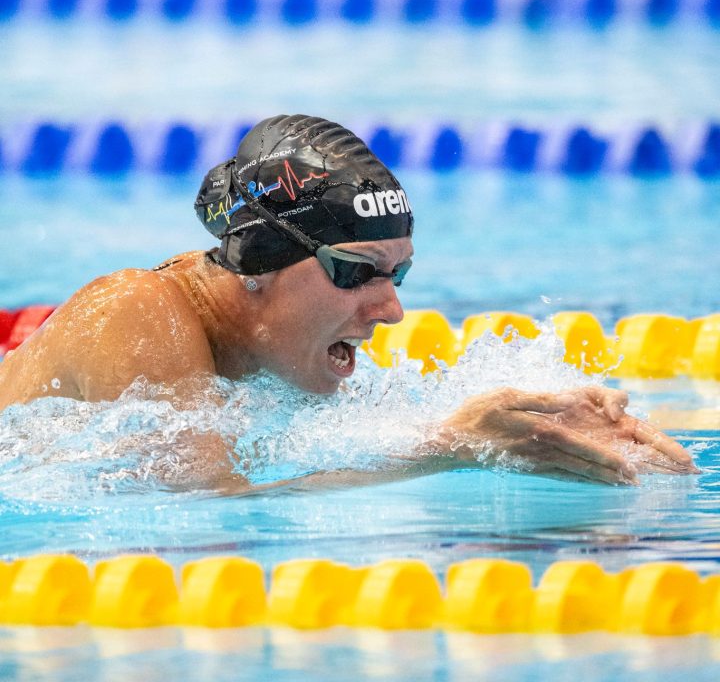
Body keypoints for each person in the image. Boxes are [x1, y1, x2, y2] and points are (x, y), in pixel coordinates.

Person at [0, 114, 698, 491]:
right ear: (256, 264)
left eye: (398, 276)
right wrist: (455, 444)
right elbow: (210, 516)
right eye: (355, 272)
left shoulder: (270, 343)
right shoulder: (138, 312)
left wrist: (531, 418)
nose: (392, 311)